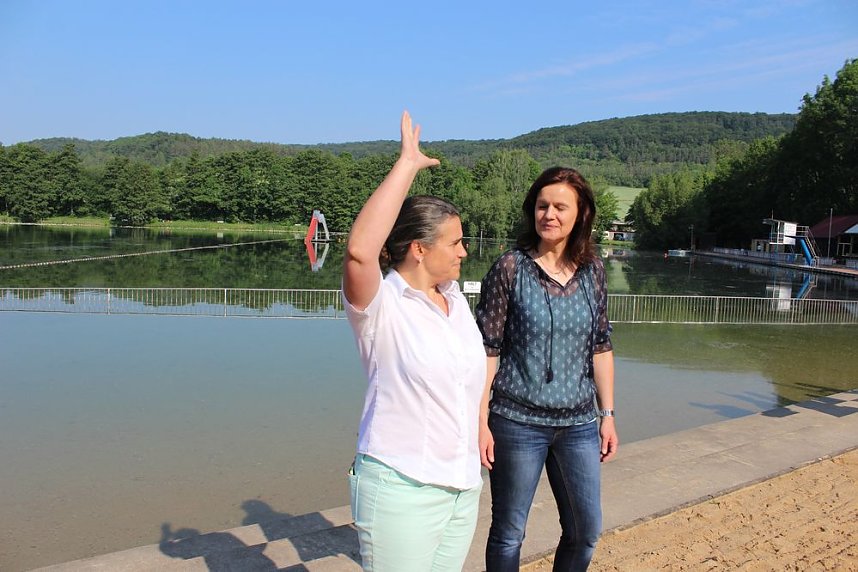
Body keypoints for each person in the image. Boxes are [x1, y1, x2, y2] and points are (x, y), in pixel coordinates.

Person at [342, 111, 486, 571]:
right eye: (456, 242)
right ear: (419, 249)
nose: (465, 251)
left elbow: (470, 380)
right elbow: (360, 250)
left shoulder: (456, 302)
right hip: (400, 487)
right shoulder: (381, 306)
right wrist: (406, 164)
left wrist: (480, 428)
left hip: (463, 486)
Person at [476, 167, 618, 571]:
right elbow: (487, 348)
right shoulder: (511, 268)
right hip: (517, 422)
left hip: (579, 425)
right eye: (542, 206)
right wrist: (480, 416)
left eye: (560, 206)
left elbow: (601, 347)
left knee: (585, 530)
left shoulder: (594, 271)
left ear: (581, 214)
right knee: (509, 532)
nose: (549, 215)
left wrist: (607, 415)